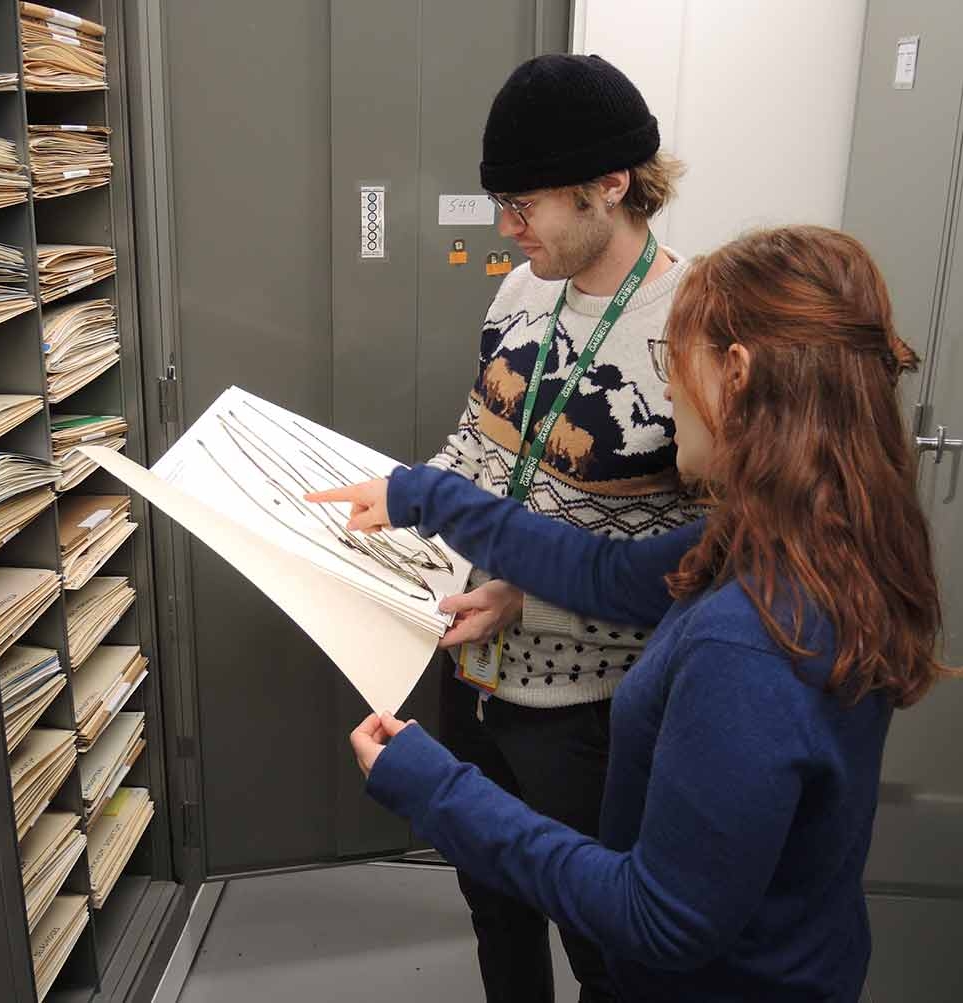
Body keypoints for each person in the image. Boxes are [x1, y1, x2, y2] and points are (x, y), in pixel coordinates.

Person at [308, 226, 952, 1002]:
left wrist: (432, 785)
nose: (666, 391)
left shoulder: (750, 641)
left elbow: (658, 919)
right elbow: (605, 572)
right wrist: (429, 498)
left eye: (672, 362)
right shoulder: (816, 533)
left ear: (735, 376)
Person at [423, 52, 692, 1003]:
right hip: (473, 677)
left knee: (603, 947)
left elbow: (694, 571)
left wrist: (525, 598)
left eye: (522, 204)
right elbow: (480, 438)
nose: (505, 228)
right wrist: (404, 528)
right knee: (495, 911)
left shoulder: (692, 331)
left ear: (609, 186)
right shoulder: (521, 292)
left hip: (591, 717)